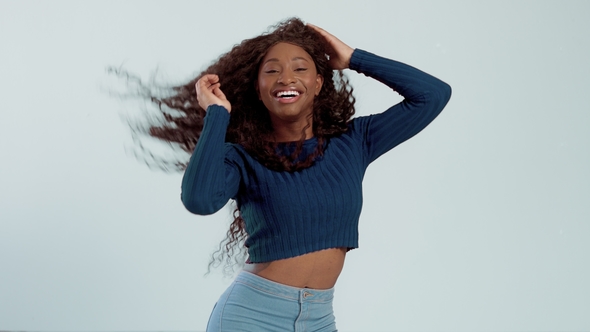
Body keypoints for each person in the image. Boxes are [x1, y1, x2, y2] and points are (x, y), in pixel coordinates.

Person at [125, 17, 450, 332]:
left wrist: (353, 58)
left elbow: (432, 95)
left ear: (319, 82)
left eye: (299, 68)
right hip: (250, 316)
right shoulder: (242, 157)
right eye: (272, 71)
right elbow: (198, 200)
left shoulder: (354, 142)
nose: (285, 78)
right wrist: (216, 114)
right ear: (258, 87)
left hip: (319, 317)